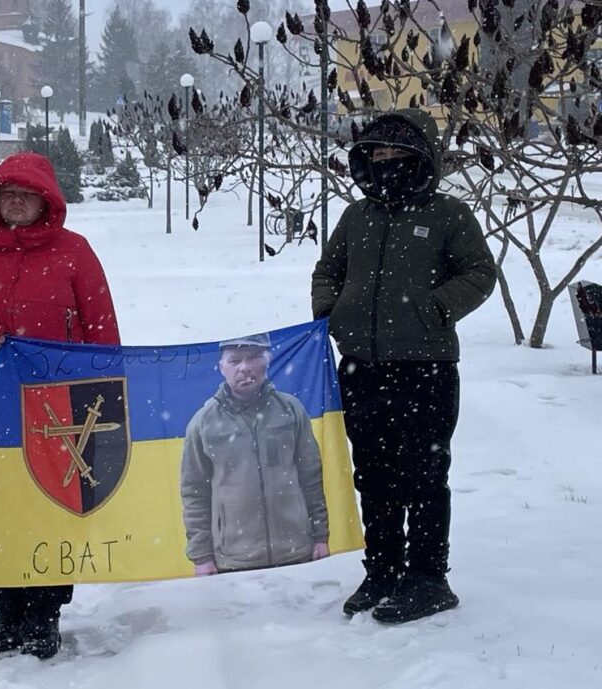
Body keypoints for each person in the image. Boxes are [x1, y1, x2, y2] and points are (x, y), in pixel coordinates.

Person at [0, 152, 119, 660]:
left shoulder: (74, 251)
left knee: (51, 497)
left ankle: (46, 610)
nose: (15, 202)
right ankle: (9, 606)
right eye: (7, 194)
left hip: (57, 402)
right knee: (4, 500)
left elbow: (101, 323)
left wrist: (105, 388)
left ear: (45, 201)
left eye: (25, 195)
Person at [311, 109, 496, 624]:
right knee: (373, 474)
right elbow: (328, 270)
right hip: (361, 368)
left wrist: (434, 308)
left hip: (425, 368)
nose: (386, 160)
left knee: (424, 474)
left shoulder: (448, 215)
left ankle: (429, 579)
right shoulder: (356, 217)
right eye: (377, 152)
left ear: (421, 158)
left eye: (397, 152)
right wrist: (330, 310)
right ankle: (384, 569)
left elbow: (480, 272)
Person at [181, 334, 330, 575]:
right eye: (235, 360)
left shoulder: (291, 411)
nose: (245, 367)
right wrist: (202, 557)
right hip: (234, 561)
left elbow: (311, 478)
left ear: (268, 359)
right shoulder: (203, 423)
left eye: (253, 357)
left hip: (296, 552)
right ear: (222, 367)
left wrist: (320, 536)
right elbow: (194, 493)